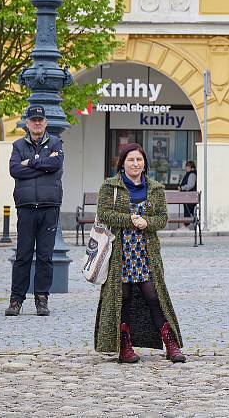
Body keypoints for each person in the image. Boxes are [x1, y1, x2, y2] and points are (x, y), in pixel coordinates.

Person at [94, 143, 186, 363]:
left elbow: (163, 218)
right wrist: (129, 220)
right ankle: (124, 346)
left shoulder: (155, 188)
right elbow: (103, 213)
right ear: (123, 163)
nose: (135, 164)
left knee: (154, 296)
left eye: (139, 160)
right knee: (122, 297)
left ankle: (170, 344)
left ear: (145, 163)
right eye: (130, 160)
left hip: (145, 252)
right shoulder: (111, 186)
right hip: (119, 251)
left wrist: (147, 222)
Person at [5, 105, 64, 317]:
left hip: (49, 206)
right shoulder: (18, 145)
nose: (37, 123)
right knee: (23, 255)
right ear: (27, 124)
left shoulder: (56, 142)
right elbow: (14, 170)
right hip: (27, 206)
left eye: (40, 120)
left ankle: (41, 299)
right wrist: (42, 166)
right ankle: (16, 300)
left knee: (45, 256)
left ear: (45, 123)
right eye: (33, 120)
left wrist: (31, 163)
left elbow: (55, 164)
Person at [178, 160, 197, 226]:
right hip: (188, 196)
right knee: (188, 210)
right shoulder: (190, 173)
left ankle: (186, 225)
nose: (186, 168)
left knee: (188, 210)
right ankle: (186, 224)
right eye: (186, 166)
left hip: (190, 196)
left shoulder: (192, 174)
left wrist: (182, 188)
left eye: (187, 166)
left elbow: (191, 185)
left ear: (191, 167)